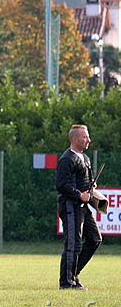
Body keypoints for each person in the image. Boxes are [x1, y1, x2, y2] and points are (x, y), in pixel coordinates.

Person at [55, 124, 102, 290]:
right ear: (75, 139)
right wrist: (78, 194)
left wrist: (91, 186)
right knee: (73, 243)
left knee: (95, 239)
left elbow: (85, 182)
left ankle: (73, 275)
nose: (88, 139)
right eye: (85, 137)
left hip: (83, 206)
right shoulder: (67, 159)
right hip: (71, 205)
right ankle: (66, 283)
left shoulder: (85, 158)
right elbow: (61, 184)